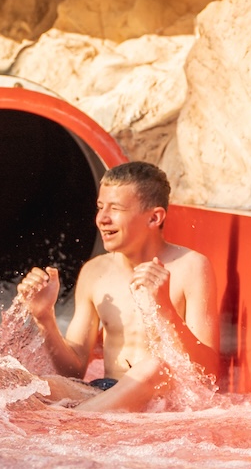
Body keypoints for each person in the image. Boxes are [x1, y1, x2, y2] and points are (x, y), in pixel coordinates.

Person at [15, 160, 218, 412]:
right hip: (104, 392)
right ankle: (82, 417)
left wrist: (164, 307)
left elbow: (208, 374)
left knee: (153, 367)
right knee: (30, 385)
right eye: (100, 207)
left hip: (162, 399)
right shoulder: (95, 271)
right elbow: (73, 371)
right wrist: (44, 317)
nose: (102, 219)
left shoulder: (191, 266)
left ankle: (76, 421)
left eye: (115, 209)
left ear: (154, 217)